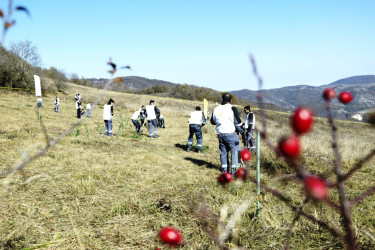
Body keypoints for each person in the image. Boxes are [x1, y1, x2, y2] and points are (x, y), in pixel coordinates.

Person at [210, 93, 241, 174]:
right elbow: (238, 122)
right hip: (231, 133)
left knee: (223, 153)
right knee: (235, 152)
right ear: (230, 100)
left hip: (220, 134)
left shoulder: (216, 109)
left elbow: (212, 122)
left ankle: (224, 171)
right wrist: (243, 132)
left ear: (222, 99)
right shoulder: (232, 108)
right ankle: (235, 171)